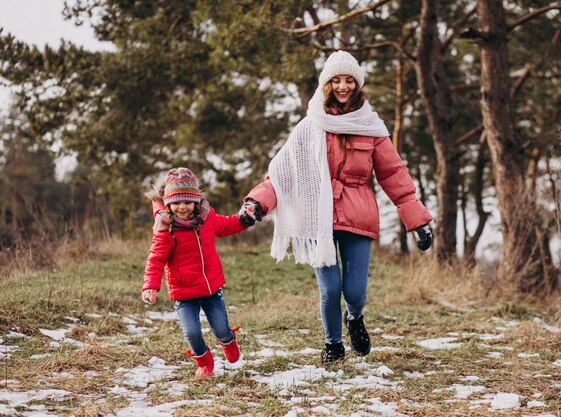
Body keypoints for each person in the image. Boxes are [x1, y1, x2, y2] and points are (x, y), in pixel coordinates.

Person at [239, 50, 433, 364]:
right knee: (330, 290)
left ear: (357, 85)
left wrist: (416, 220)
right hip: (317, 219)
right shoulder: (309, 126)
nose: (343, 86)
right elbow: (283, 173)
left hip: (358, 216)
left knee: (354, 292)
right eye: (336, 80)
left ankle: (354, 317)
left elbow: (394, 173)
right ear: (327, 84)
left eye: (349, 80)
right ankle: (333, 344)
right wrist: (256, 204)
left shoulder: (371, 127)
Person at [142, 167, 260, 377]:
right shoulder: (165, 229)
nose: (182, 207)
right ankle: (204, 362)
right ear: (168, 203)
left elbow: (227, 225)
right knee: (192, 333)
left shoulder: (207, 218)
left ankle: (228, 341)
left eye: (187, 202)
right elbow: (156, 258)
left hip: (210, 289)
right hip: (183, 293)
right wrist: (151, 286)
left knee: (221, 329)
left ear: (196, 201)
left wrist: (244, 219)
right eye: (176, 203)